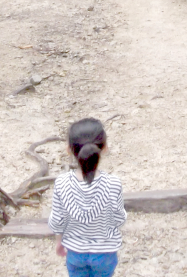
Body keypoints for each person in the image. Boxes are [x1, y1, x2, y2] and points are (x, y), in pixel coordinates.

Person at [49, 118, 127, 277]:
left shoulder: (62, 183)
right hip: (105, 253)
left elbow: (57, 220)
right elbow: (119, 218)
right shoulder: (113, 183)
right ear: (104, 148)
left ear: (69, 150)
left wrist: (59, 242)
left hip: (75, 252)